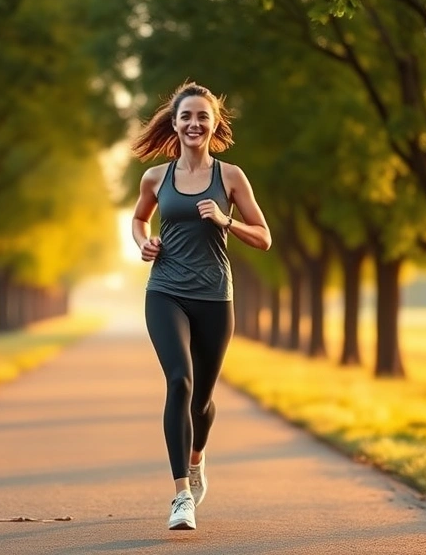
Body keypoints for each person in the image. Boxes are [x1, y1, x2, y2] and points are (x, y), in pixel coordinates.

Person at [130, 81, 272, 531]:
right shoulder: (156, 177)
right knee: (180, 381)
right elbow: (138, 219)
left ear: (213, 125)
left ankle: (196, 460)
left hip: (214, 296)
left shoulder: (231, 177)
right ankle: (181, 496)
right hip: (165, 291)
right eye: (186, 117)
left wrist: (225, 218)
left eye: (202, 117)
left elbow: (264, 237)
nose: (194, 123)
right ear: (174, 124)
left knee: (203, 400)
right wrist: (143, 242)